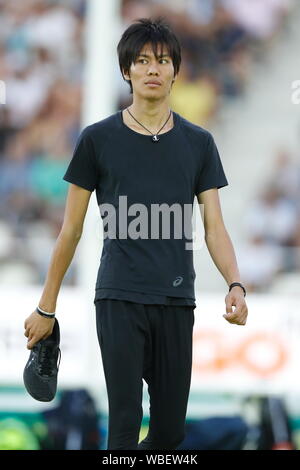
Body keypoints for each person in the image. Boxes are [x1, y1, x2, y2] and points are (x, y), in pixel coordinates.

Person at [24, 17, 248, 450]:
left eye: (162, 61)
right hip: (120, 297)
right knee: (124, 427)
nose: (152, 69)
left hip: (177, 299)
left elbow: (214, 227)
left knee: (169, 435)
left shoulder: (199, 143)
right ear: (126, 70)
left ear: (175, 71)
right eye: (142, 60)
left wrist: (235, 282)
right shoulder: (97, 139)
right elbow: (69, 231)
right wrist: (46, 309)